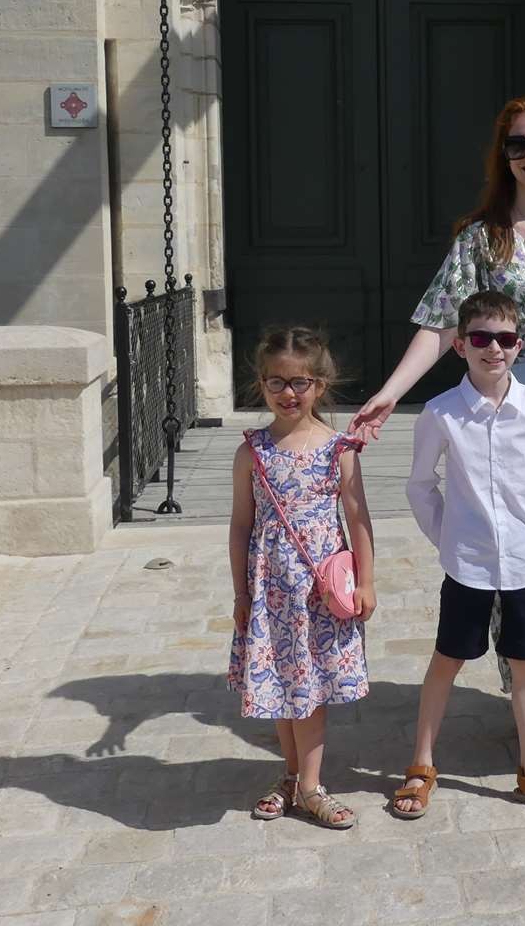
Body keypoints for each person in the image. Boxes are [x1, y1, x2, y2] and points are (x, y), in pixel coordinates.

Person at [353, 96, 525, 746]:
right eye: (518, 145)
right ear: (504, 157)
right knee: (512, 553)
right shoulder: (482, 239)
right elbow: (441, 321)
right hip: (508, 415)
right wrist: (389, 393)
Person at [392, 291, 525, 819]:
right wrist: (448, 538)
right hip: (468, 567)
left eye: (504, 339)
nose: (493, 349)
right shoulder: (441, 413)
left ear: (518, 345)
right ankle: (421, 764)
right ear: (460, 345)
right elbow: (419, 486)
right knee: (446, 660)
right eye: (480, 338)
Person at [228, 328, 377, 829]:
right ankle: (292, 776)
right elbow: (241, 526)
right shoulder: (252, 451)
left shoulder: (339, 449)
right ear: (261, 384)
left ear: (320, 384)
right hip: (271, 592)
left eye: (300, 382)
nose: (288, 393)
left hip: (318, 591)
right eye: (277, 383)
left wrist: (367, 581)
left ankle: (311, 786)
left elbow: (358, 519)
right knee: (280, 686)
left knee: (309, 687)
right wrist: (241, 593)